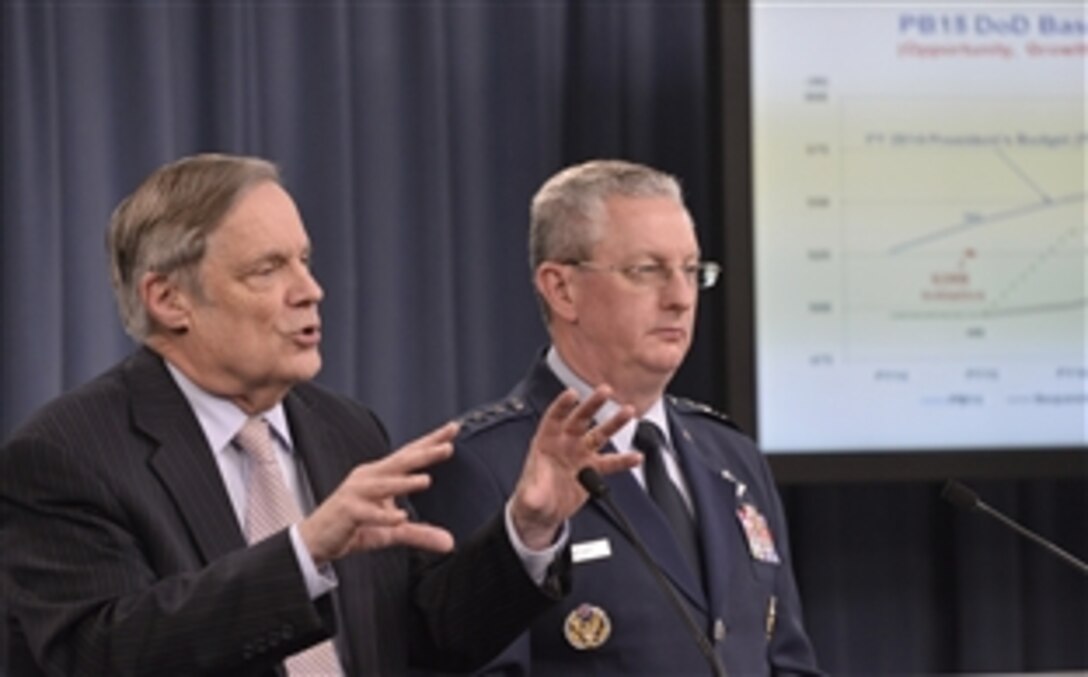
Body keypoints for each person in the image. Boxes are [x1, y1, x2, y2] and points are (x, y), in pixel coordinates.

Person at [0, 153, 642, 676]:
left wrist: (526, 530)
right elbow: (101, 654)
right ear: (169, 299)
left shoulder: (344, 429)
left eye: (303, 259)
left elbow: (422, 637)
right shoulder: (69, 454)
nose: (310, 290)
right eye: (268, 268)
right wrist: (304, 554)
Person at [413, 160, 822, 675]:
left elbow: (787, 661)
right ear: (562, 289)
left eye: (692, 272)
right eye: (646, 271)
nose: (679, 298)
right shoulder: (482, 465)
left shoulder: (733, 457)